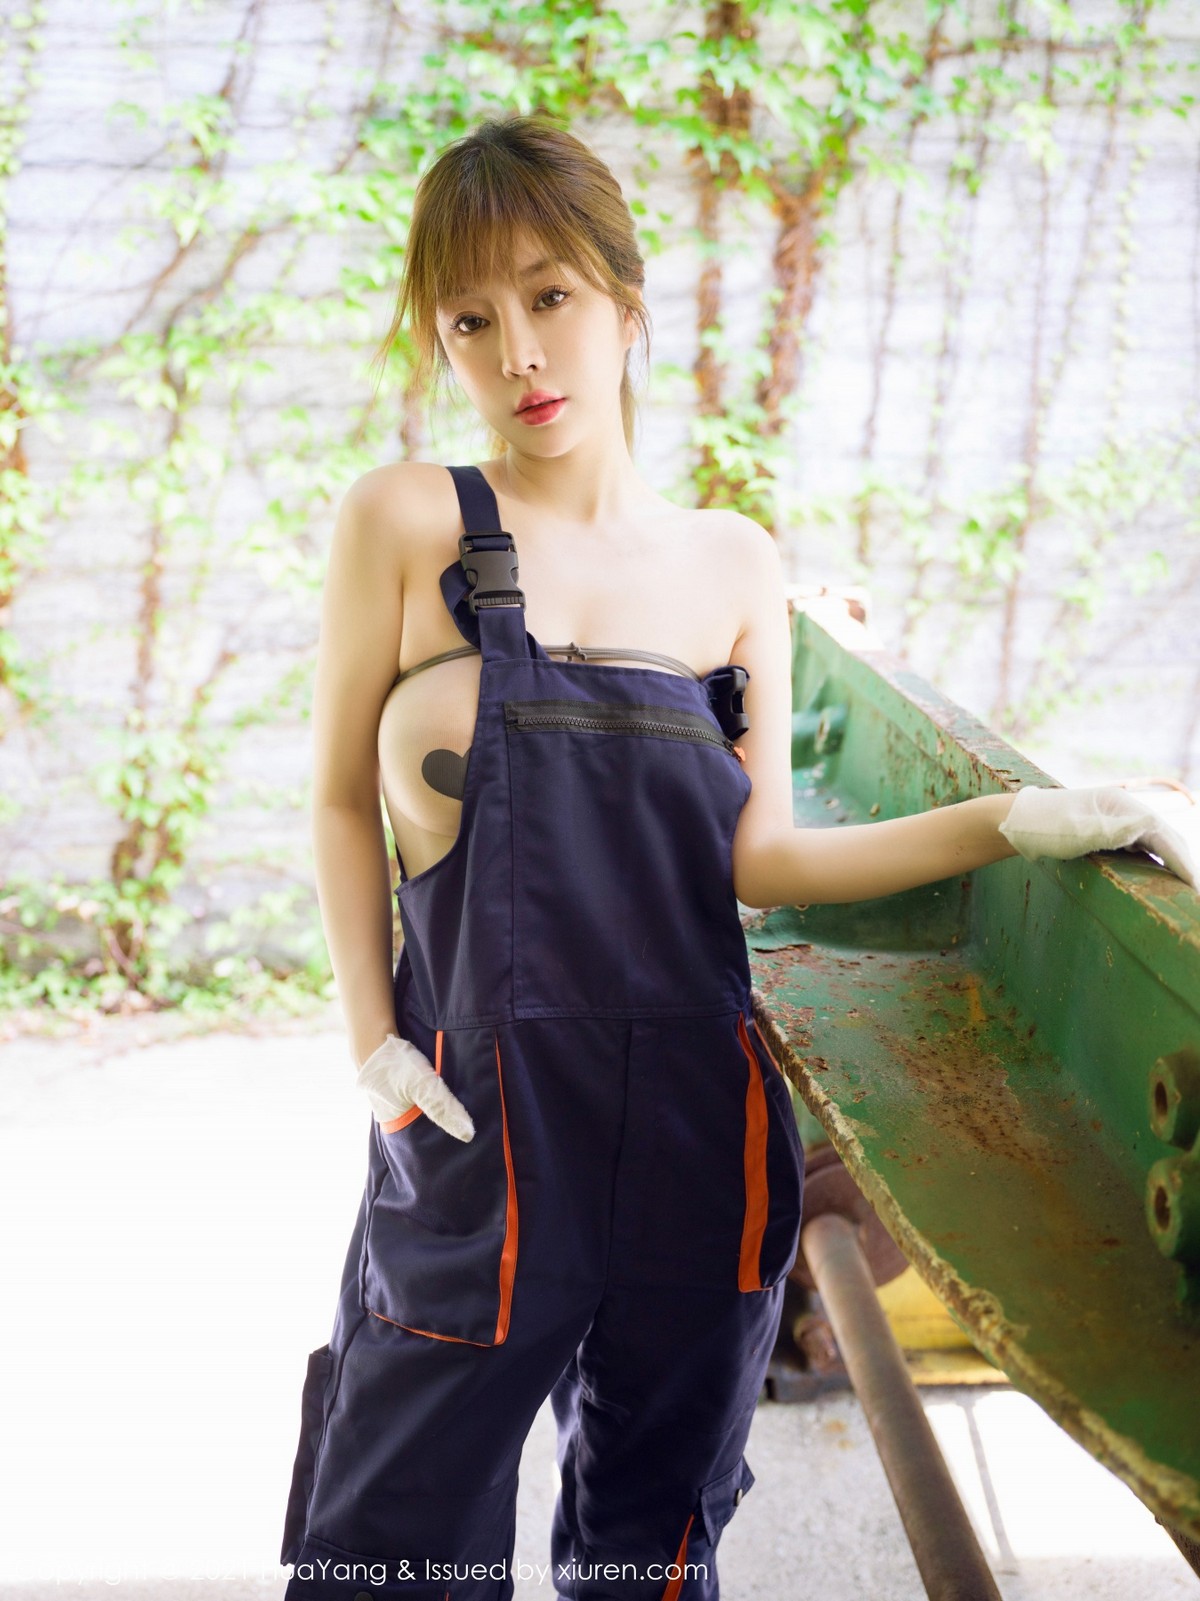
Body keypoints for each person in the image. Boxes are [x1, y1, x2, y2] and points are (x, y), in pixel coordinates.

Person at [280, 114, 1196, 1601]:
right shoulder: (403, 521)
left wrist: (1021, 819)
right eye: (471, 320)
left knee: (650, 1551)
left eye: (551, 295)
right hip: (475, 1123)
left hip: (698, 1132)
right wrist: (372, 1043)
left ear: (627, 304)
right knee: (388, 1546)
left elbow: (763, 861)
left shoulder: (731, 561)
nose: (520, 352)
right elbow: (335, 798)